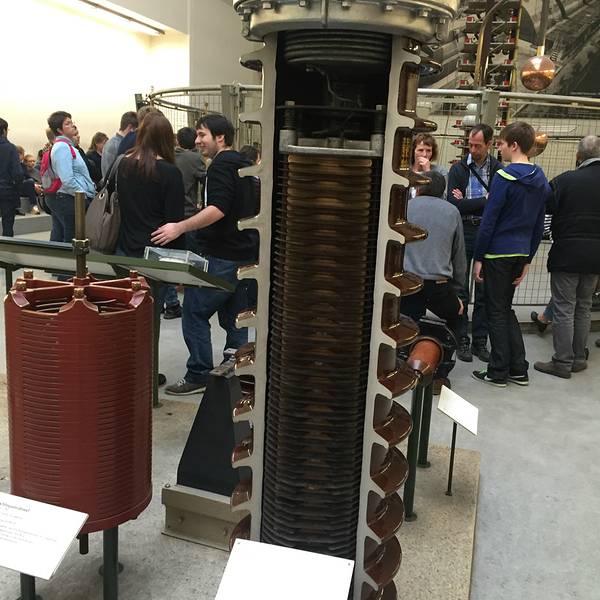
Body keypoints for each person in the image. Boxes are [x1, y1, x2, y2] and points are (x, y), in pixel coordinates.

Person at [151, 114, 258, 396]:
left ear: (220, 138)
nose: (197, 141)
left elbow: (218, 208)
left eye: (202, 135)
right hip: (244, 253)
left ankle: (198, 373)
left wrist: (180, 227)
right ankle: (235, 370)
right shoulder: (245, 166)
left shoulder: (221, 166)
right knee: (235, 316)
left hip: (222, 254)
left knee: (194, 312)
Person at [471, 121, 550, 387]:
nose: (500, 149)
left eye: (502, 144)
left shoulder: (503, 178)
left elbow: (489, 221)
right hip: (520, 252)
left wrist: (479, 257)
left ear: (514, 145)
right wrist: (528, 259)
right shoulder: (541, 180)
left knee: (495, 311)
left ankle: (498, 370)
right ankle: (518, 368)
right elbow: (538, 224)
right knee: (505, 309)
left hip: (497, 253)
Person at [534, 135, 600, 378]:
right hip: (595, 257)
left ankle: (562, 362)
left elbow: (546, 208)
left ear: (578, 156)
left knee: (564, 307)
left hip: (567, 254)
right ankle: (578, 358)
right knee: (584, 306)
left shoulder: (565, 181)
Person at [401, 170, 466, 394]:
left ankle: (403, 363)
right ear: (443, 191)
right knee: (456, 318)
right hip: (439, 286)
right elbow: (459, 255)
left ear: (419, 188)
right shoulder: (452, 211)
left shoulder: (406, 207)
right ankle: (439, 374)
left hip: (407, 283)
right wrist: (458, 292)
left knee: (404, 323)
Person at [447, 123, 502, 363]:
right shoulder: (458, 169)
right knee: (460, 286)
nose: (473, 149)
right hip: (464, 230)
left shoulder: (498, 170)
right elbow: (455, 205)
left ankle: (480, 339)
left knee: (483, 289)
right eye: (470, 144)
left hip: (487, 232)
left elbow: (499, 204)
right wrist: (484, 200)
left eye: (478, 145)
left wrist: (470, 202)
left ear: (489, 144)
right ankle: (461, 338)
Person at [114, 112, 185, 258]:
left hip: (125, 244)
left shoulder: (123, 164)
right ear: (167, 139)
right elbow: (174, 219)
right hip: (158, 250)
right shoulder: (170, 172)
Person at [160, 126, 208, 320]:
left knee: (169, 261)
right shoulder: (195, 159)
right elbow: (205, 180)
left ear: (178, 141)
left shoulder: (167, 158)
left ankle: (170, 302)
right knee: (192, 263)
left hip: (167, 217)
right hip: (188, 215)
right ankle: (192, 303)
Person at [46, 111, 95, 243]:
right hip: (70, 199)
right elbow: (67, 179)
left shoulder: (68, 146)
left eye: (72, 122)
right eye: (67, 123)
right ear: (59, 130)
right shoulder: (62, 147)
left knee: (63, 234)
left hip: (71, 197)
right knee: (72, 238)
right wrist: (83, 195)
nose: (72, 125)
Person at [0, 118, 24, 236]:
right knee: (7, 223)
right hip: (7, 190)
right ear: (4, 131)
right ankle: (6, 246)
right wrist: (17, 186)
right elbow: (18, 173)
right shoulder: (10, 148)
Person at [101, 111, 138, 177]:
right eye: (135, 130)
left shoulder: (113, 143)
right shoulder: (113, 145)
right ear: (130, 128)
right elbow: (108, 173)